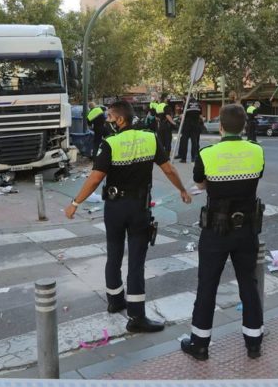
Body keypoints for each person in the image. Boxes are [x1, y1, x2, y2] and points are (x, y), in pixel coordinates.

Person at [65, 101, 192, 332]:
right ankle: (136, 316)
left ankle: (115, 301)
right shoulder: (150, 138)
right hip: (138, 208)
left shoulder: (110, 143)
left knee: (113, 253)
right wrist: (182, 189)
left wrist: (75, 203)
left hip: (114, 208)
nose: (108, 122)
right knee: (136, 262)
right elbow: (168, 169)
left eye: (110, 117)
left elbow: (95, 178)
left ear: (120, 120)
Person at [181, 104, 265, 361]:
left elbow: (200, 183)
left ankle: (200, 345)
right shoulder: (256, 150)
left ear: (220, 127)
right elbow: (257, 175)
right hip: (247, 229)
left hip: (216, 230)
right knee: (248, 285)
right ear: (243, 126)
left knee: (207, 286)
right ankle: (253, 344)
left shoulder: (208, 154)